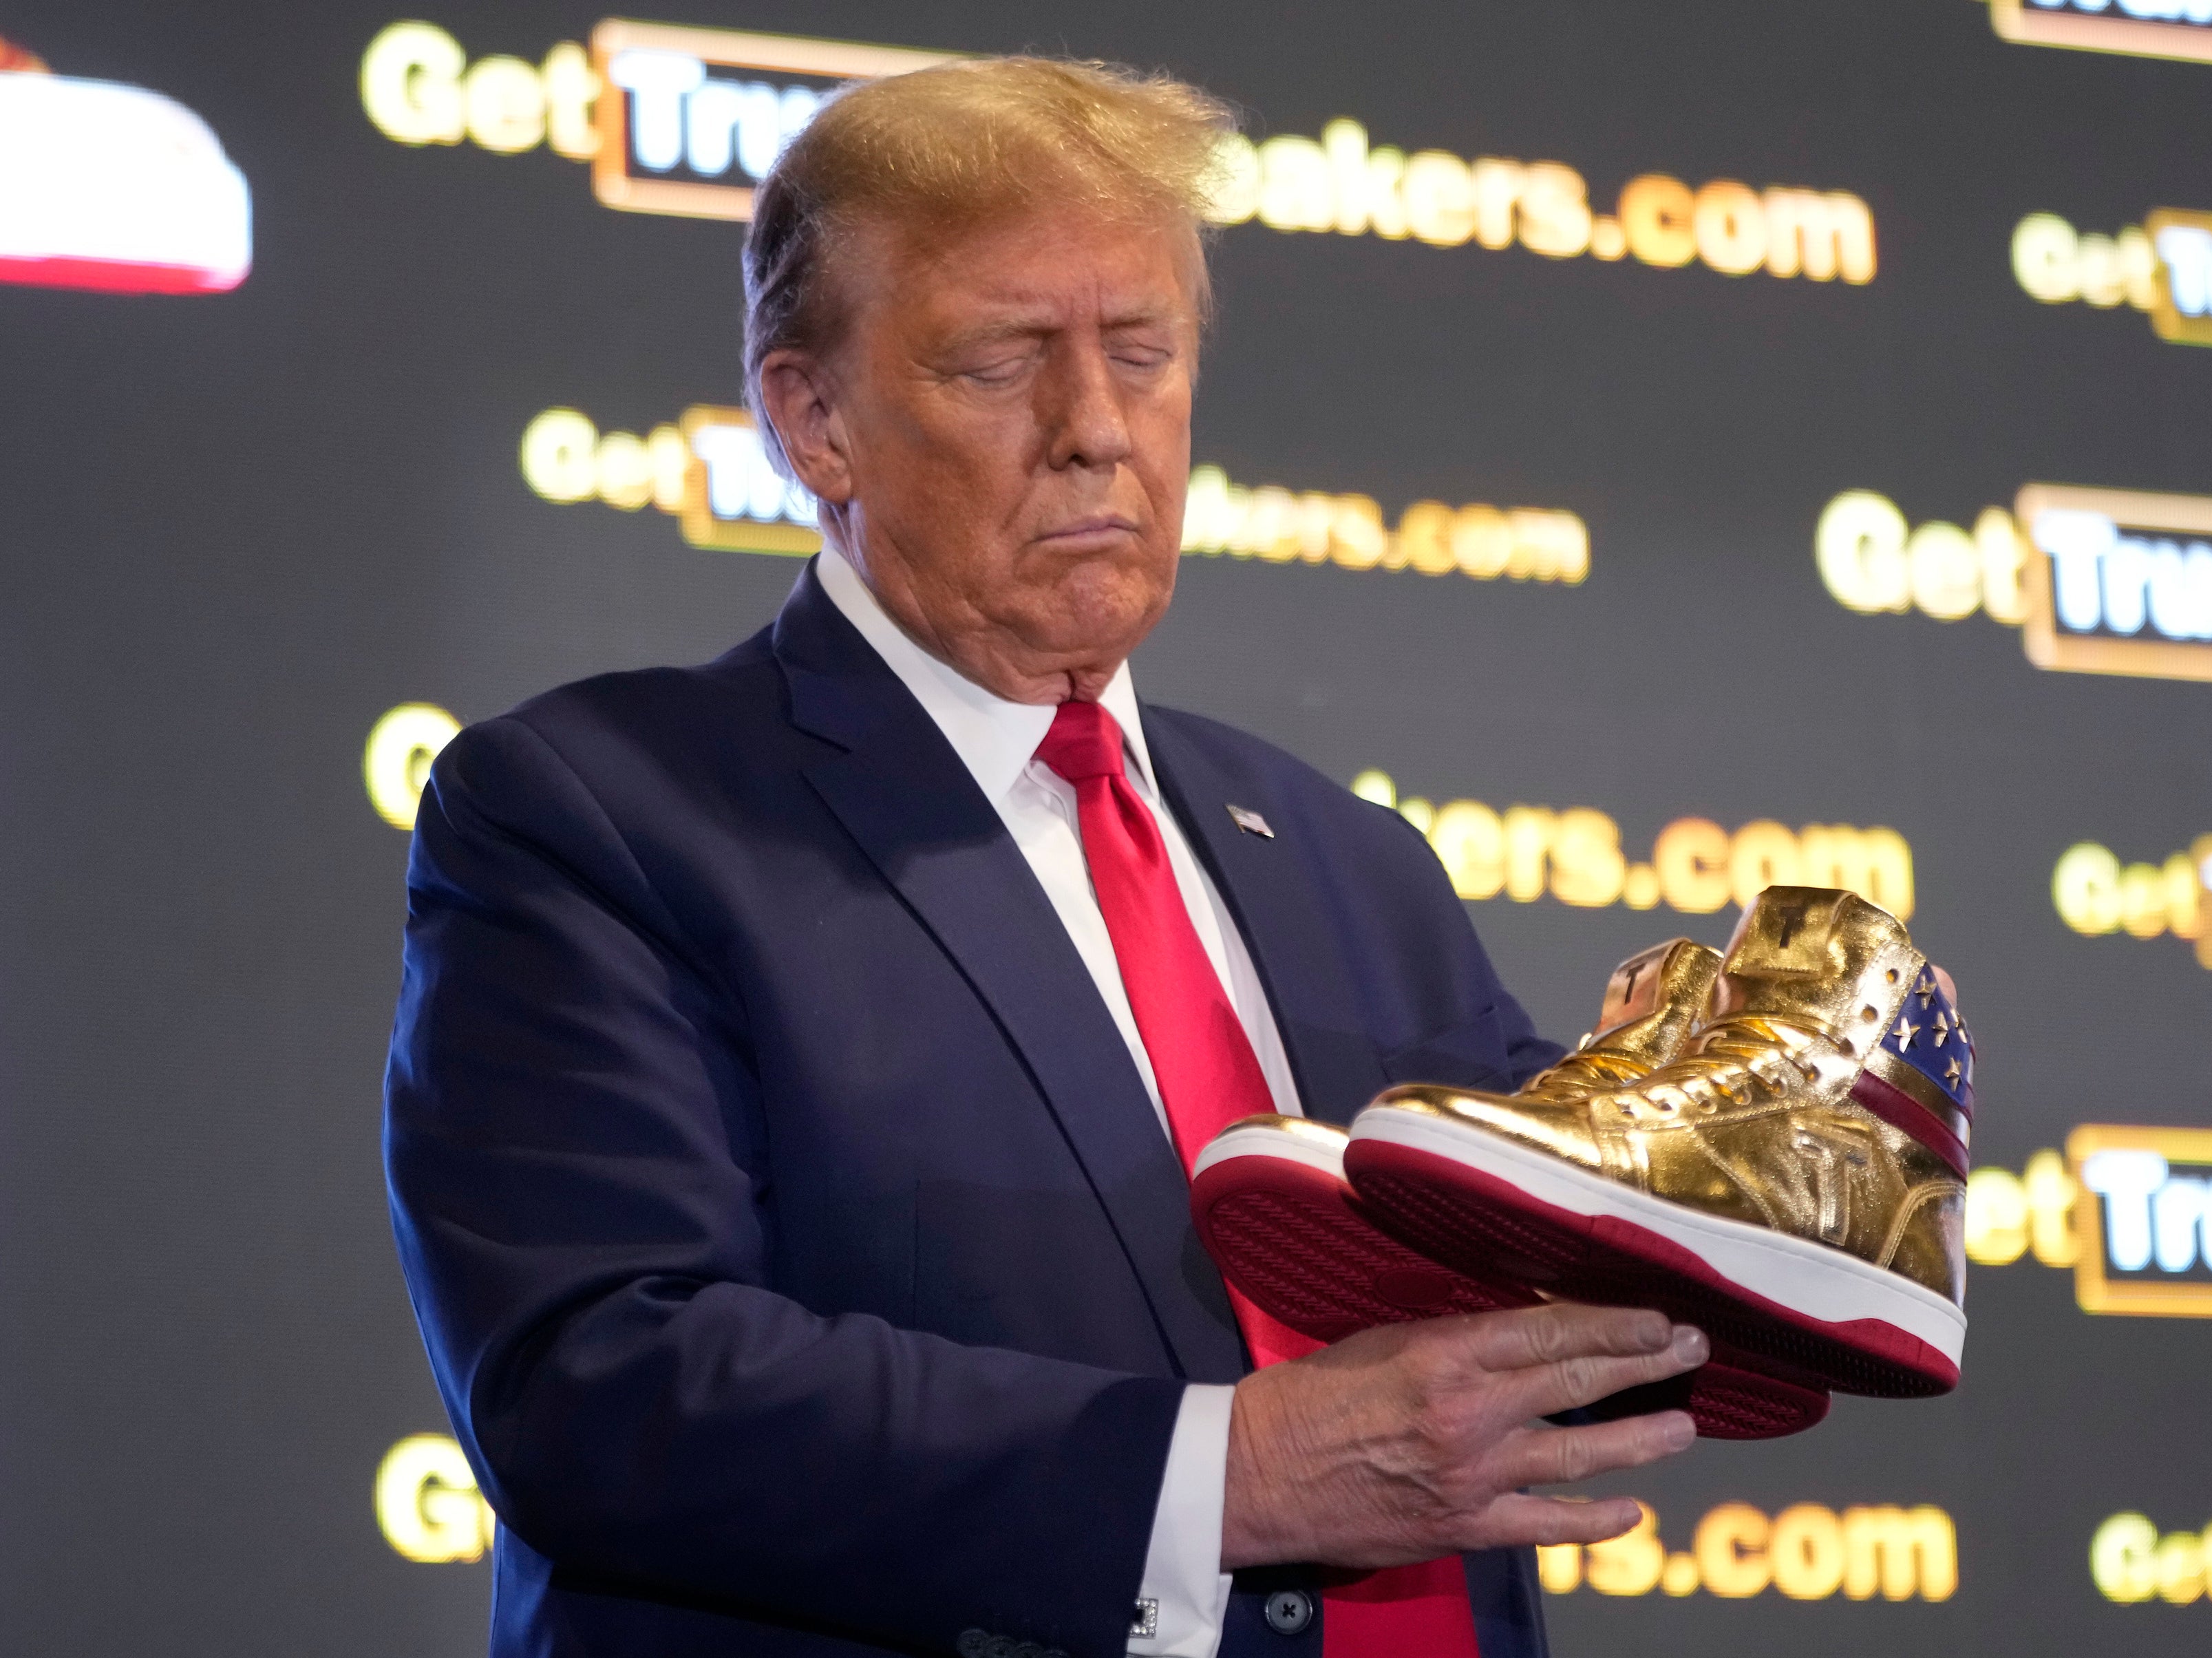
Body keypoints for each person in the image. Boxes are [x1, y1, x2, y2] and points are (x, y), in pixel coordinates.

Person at [383, 56, 1703, 1658]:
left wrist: (1778, 1158)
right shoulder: (601, 814)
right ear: (815, 421)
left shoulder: (1352, 859)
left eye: (1140, 353)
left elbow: (1584, 1284)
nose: (1095, 431)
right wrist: (1233, 1475)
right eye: (1001, 363)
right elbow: (601, 1384)